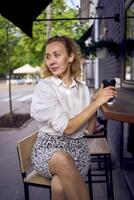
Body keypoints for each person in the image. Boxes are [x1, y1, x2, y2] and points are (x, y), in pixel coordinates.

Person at [30, 36, 117, 200]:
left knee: (59, 185)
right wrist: (95, 103)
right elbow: (68, 128)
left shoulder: (83, 89)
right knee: (62, 160)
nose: (51, 61)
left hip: (78, 151)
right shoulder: (45, 87)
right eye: (48, 56)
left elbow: (89, 131)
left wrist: (94, 103)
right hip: (47, 150)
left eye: (57, 55)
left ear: (70, 57)